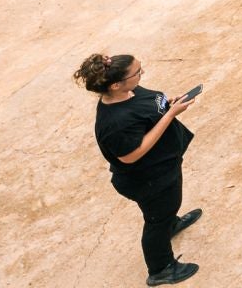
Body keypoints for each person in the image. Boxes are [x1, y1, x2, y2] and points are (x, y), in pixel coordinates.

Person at [75, 52, 202, 285]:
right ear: (115, 85)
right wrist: (171, 115)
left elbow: (151, 109)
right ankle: (160, 269)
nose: (141, 75)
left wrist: (168, 105)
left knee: (168, 209)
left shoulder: (129, 91)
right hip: (148, 181)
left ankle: (170, 224)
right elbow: (131, 155)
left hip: (163, 169)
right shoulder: (115, 123)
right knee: (156, 221)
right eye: (137, 72)